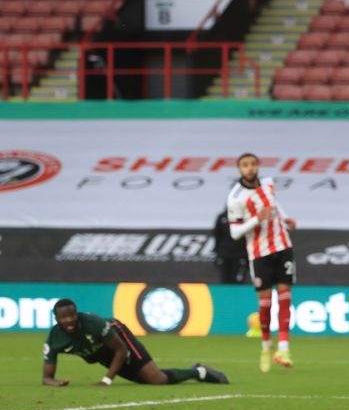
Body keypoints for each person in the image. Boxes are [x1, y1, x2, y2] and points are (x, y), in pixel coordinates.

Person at [42, 299, 228, 386]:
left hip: (118, 340)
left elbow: (121, 350)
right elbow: (47, 376)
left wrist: (107, 380)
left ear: (77, 314)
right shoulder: (54, 339)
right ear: (56, 319)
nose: (68, 320)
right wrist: (54, 382)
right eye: (63, 318)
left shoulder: (94, 324)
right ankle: (197, 371)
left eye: (72, 316)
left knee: (156, 379)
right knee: (149, 380)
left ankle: (200, 372)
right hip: (103, 354)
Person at [227, 152, 297, 373]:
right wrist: (257, 219)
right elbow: (235, 232)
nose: (250, 168)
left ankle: (284, 348)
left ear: (258, 166)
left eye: (253, 164)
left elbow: (275, 205)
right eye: (245, 165)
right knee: (265, 304)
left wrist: (285, 218)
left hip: (283, 246)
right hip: (259, 253)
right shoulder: (236, 197)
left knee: (285, 296)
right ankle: (266, 345)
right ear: (239, 169)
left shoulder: (268, 183)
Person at [213, 209, 249, 284]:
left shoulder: (246, 218)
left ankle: (239, 295)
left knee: (238, 280)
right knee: (225, 280)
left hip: (240, 256)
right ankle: (225, 295)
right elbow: (217, 235)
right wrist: (218, 253)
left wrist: (246, 256)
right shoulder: (222, 217)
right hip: (225, 255)